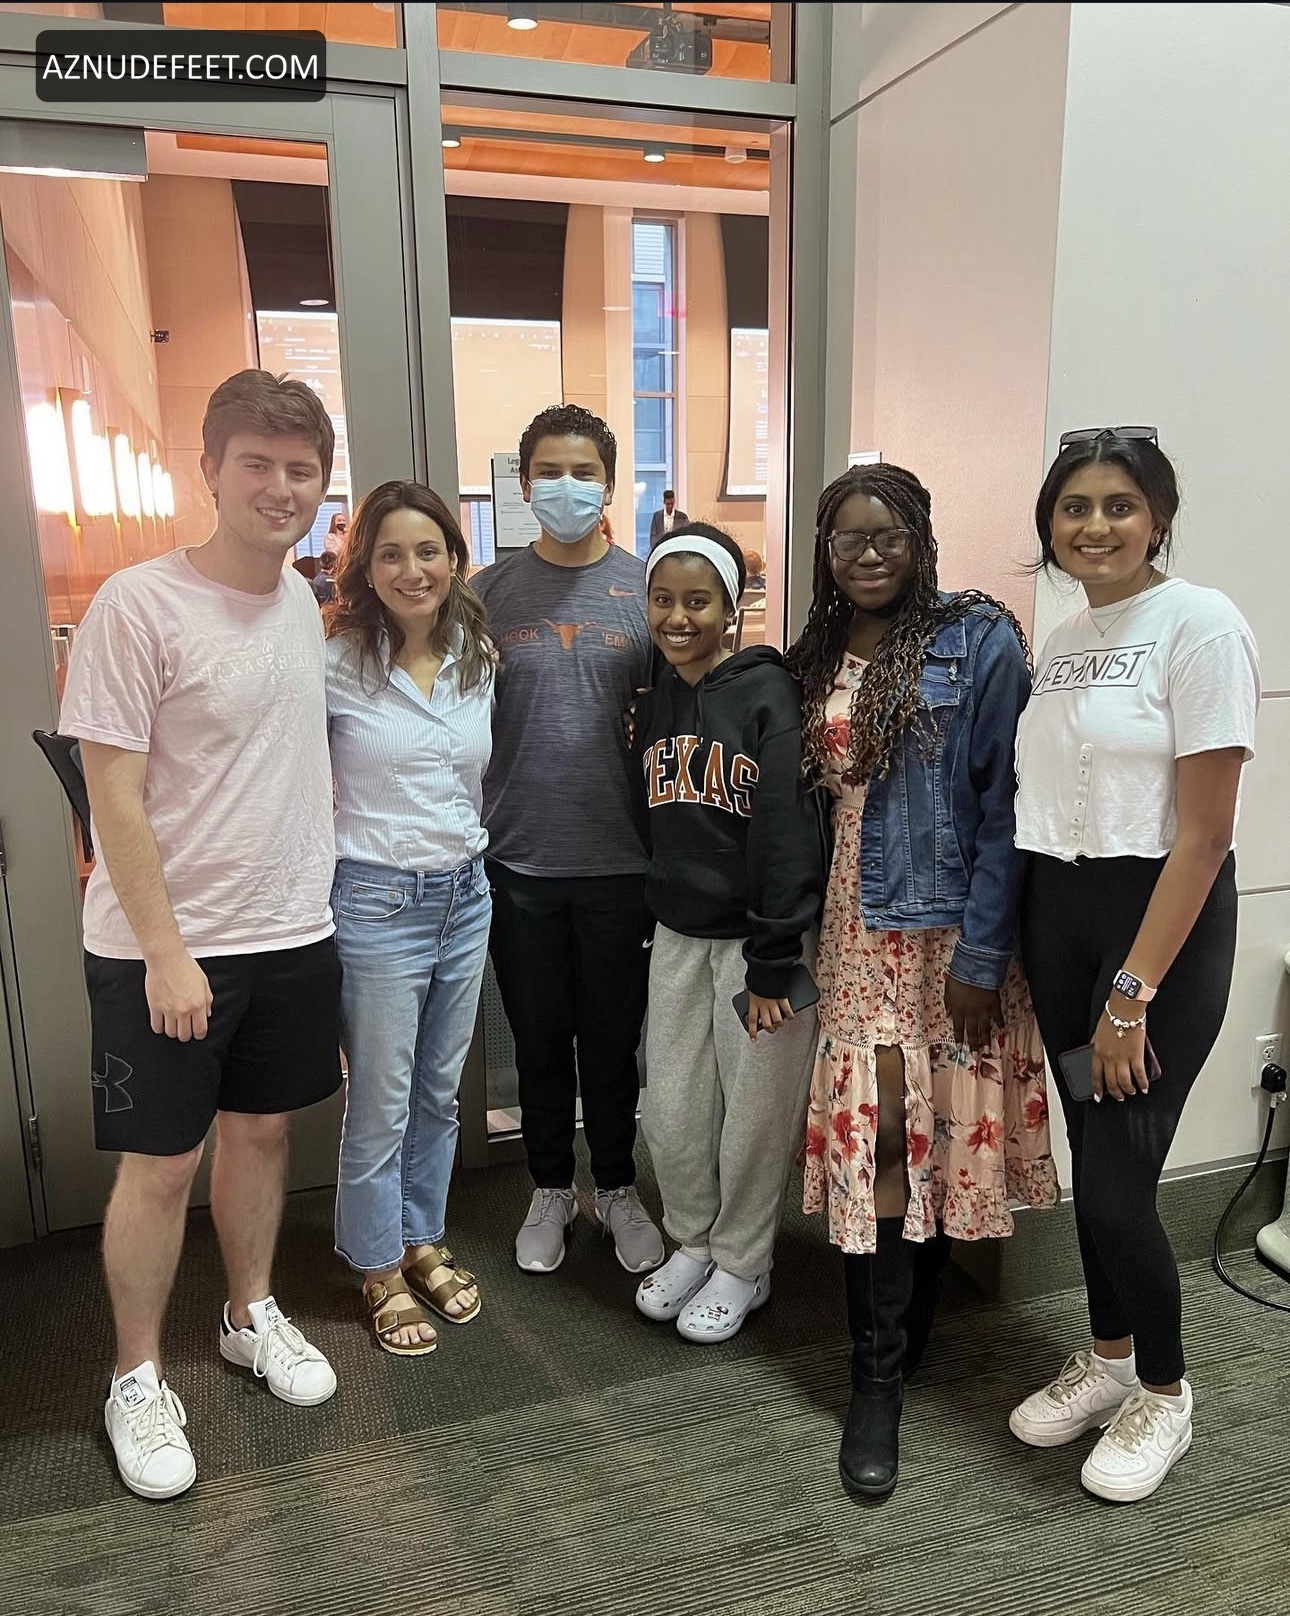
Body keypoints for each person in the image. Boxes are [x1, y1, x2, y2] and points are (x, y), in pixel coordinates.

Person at [59, 369, 343, 1502]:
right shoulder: (138, 605)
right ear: (211, 472)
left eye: (301, 469)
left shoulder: (300, 603)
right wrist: (168, 953)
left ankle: (248, 1313)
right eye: (257, 464)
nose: (281, 487)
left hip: (292, 929)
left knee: (262, 1133)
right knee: (163, 1162)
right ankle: (134, 1375)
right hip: (164, 949)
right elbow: (113, 799)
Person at [786, 462, 1058, 1500]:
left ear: (920, 539)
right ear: (825, 549)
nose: (867, 554)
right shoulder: (814, 653)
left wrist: (983, 959)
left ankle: (904, 1341)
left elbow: (1006, 808)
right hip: (855, 936)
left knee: (933, 1137)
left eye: (887, 535)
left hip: (947, 938)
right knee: (887, 1147)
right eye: (847, 538)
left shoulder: (977, 639)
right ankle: (878, 1377)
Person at [1008, 428, 1259, 1503]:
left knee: (1118, 1187)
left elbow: (1204, 834)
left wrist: (1130, 994)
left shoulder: (1202, 625)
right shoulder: (1065, 634)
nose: (1095, 524)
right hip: (1060, 914)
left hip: (1156, 928)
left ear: (1159, 517)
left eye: (1119, 504)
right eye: (1075, 506)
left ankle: (1164, 1387)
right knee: (1091, 1157)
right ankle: (1109, 1359)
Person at [472, 404, 665, 1276]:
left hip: (623, 863)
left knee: (614, 1042)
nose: (567, 487)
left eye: (585, 472)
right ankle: (551, 1186)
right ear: (524, 484)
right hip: (519, 863)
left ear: (610, 485)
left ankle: (617, 1186)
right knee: (540, 1040)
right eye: (549, 471)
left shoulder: (647, 590)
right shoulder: (488, 594)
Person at [632, 525, 821, 1342]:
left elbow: (786, 832)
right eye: (663, 600)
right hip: (678, 935)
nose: (679, 618)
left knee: (753, 1116)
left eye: (697, 601)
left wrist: (775, 959)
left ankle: (745, 1260)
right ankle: (695, 1241)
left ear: (731, 608)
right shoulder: (655, 699)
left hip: (758, 946)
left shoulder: (769, 695)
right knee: (672, 1109)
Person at [325, 481, 495, 1355]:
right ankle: (377, 1264)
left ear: (454, 560)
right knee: (381, 1100)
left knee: (438, 1091)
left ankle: (421, 1237)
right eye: (389, 553)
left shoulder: (476, 653)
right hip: (377, 902)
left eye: (428, 551)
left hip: (466, 896)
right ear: (365, 566)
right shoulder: (334, 663)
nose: (411, 569)